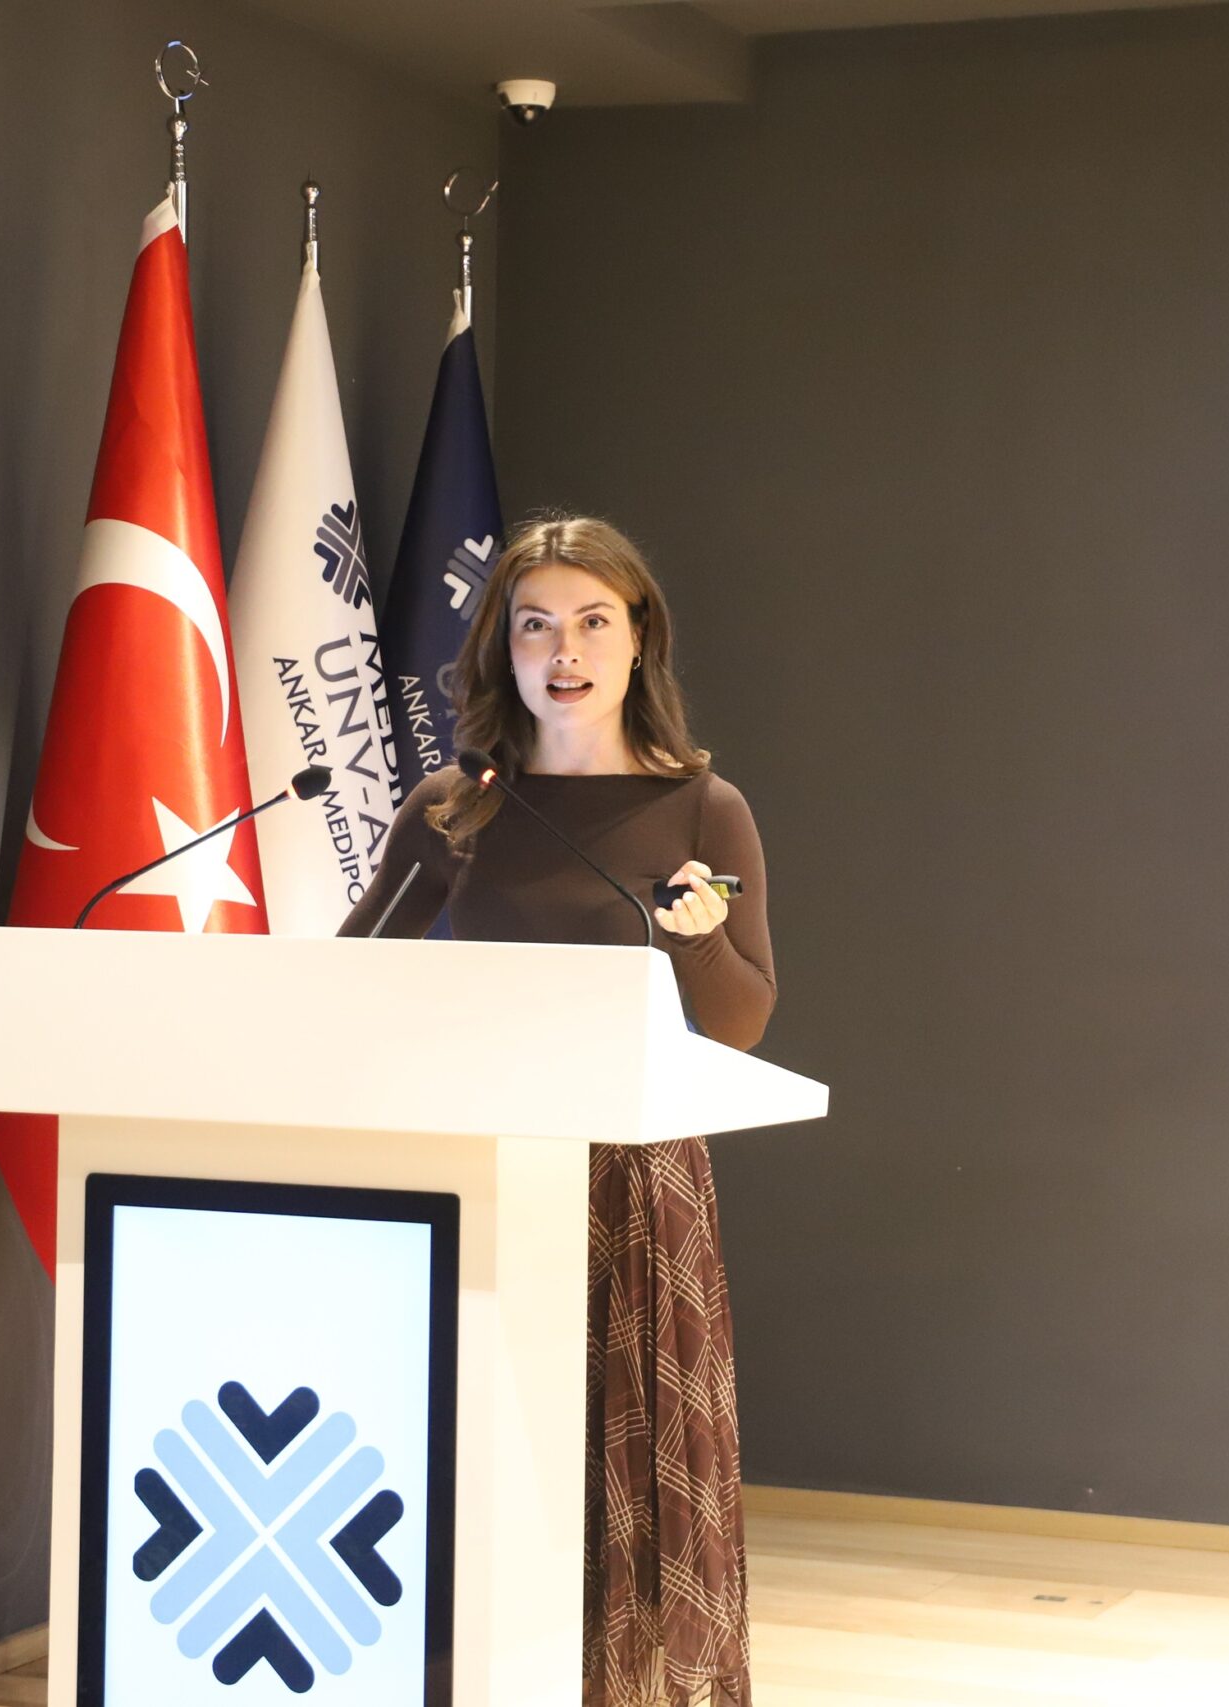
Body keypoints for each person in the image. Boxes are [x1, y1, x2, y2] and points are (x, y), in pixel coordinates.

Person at [340, 514, 773, 1706]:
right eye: (535, 625)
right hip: (474, 1172)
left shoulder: (702, 808)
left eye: (591, 621)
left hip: (628, 1181)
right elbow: (351, 972)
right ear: (503, 649)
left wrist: (698, 942)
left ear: (639, 641)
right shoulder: (456, 805)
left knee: (619, 1455)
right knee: (480, 1446)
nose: (563, 650)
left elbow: (741, 1022)